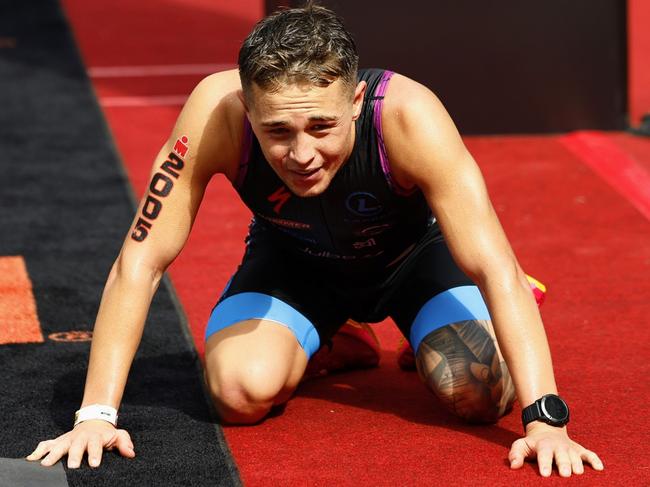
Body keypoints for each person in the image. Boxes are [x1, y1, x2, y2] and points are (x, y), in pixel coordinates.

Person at [27, 4, 604, 478]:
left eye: (321, 127)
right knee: (236, 392)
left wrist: (545, 420)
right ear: (246, 108)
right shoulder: (213, 111)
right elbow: (141, 259)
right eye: (276, 131)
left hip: (414, 262)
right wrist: (95, 415)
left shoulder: (409, 114)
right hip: (296, 262)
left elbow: (494, 266)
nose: (301, 155)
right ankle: (340, 337)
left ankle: (445, 327)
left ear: (355, 102)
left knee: (473, 391)